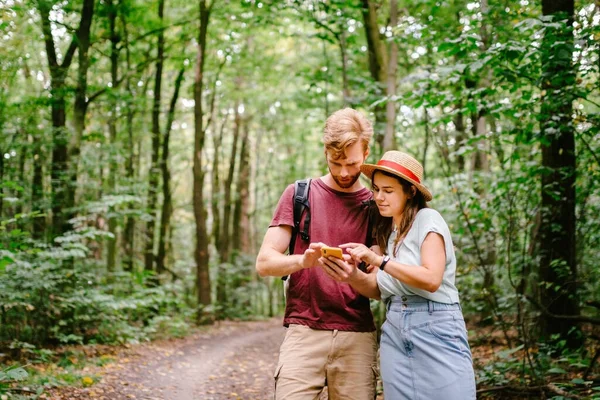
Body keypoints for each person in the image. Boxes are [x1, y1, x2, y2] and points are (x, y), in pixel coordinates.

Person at [320, 150, 477, 400]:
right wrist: (351, 275)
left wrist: (380, 260)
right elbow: (379, 289)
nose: (379, 197)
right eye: (376, 190)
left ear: (410, 191)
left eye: (388, 191)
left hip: (436, 325)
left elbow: (431, 279)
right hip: (395, 330)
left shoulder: (428, 219)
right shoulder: (391, 235)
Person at [255, 108, 378, 400]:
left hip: (357, 336)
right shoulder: (300, 195)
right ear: (325, 152)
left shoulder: (377, 205)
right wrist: (303, 261)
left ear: (366, 151)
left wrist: (354, 277)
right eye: (336, 163)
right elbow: (264, 262)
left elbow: (379, 287)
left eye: (352, 163)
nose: (344, 172)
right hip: (303, 332)